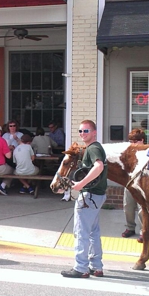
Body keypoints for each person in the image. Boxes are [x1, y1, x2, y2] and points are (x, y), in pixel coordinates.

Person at [61, 119, 108, 278]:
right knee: (93, 231)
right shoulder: (96, 147)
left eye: (86, 131)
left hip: (89, 196)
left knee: (81, 232)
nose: (82, 134)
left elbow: (99, 166)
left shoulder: (93, 148)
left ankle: (81, 268)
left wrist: (81, 183)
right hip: (97, 195)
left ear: (94, 132)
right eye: (80, 131)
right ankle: (96, 266)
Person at [121, 128, 145, 243]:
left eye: (136, 141)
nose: (134, 143)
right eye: (131, 141)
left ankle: (143, 232)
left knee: (142, 209)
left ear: (142, 140)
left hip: (142, 185)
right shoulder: (127, 153)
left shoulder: (147, 151)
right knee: (127, 207)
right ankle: (130, 228)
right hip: (129, 183)